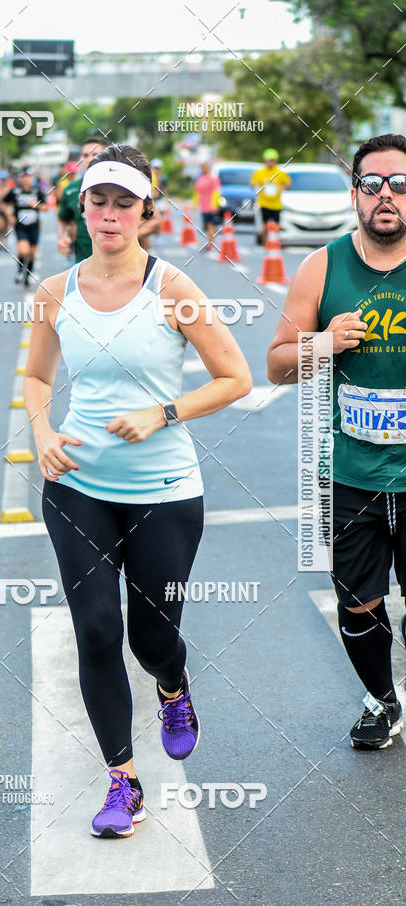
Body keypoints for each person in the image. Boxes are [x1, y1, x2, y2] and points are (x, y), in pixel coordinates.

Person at [24, 144, 252, 838]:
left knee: (155, 638)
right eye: (100, 200)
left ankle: (174, 689)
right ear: (83, 207)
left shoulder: (174, 288)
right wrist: (42, 430)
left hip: (165, 490)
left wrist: (164, 412)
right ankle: (123, 783)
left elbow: (236, 377)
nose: (111, 214)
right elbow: (36, 378)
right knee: (96, 631)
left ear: (146, 212)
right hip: (79, 487)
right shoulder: (55, 292)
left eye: (126, 202)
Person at [267, 133, 406, 750]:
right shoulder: (321, 267)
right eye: (373, 183)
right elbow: (274, 363)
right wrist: (322, 344)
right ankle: (381, 702)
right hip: (348, 474)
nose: (386, 196)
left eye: (399, 184)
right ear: (354, 193)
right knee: (358, 605)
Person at [57, 135, 110, 262]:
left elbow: (154, 220)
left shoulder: (123, 186)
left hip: (119, 267)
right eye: (85, 155)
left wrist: (127, 236)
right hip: (83, 266)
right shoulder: (71, 190)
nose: (90, 159)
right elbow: (63, 220)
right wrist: (62, 237)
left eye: (95, 154)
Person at [2, 169, 47, 286]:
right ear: (20, 179)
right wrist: (9, 215)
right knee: (23, 250)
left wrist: (37, 205)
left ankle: (27, 277)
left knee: (32, 253)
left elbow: (46, 207)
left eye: (29, 177)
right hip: (20, 225)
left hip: (34, 225)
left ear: (32, 179)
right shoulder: (15, 191)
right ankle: (19, 271)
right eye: (24, 177)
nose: (26, 179)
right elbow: (4, 203)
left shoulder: (37, 191)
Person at [251, 148, 291, 244]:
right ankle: (265, 244)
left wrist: (281, 189)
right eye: (269, 160)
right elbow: (252, 183)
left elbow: (288, 183)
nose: (270, 163)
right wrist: (258, 186)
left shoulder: (280, 172)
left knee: (276, 226)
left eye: (272, 160)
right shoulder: (260, 173)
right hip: (264, 203)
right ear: (265, 161)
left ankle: (275, 243)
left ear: (276, 161)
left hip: (276, 204)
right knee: (264, 225)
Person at [195, 161, 222, 250]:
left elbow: (216, 192)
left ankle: (211, 243)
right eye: (203, 167)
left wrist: (214, 204)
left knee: (211, 225)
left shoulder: (213, 178)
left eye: (206, 167)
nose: (204, 169)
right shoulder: (200, 179)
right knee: (207, 225)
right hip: (204, 207)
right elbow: (197, 192)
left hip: (211, 206)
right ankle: (210, 242)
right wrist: (194, 204)